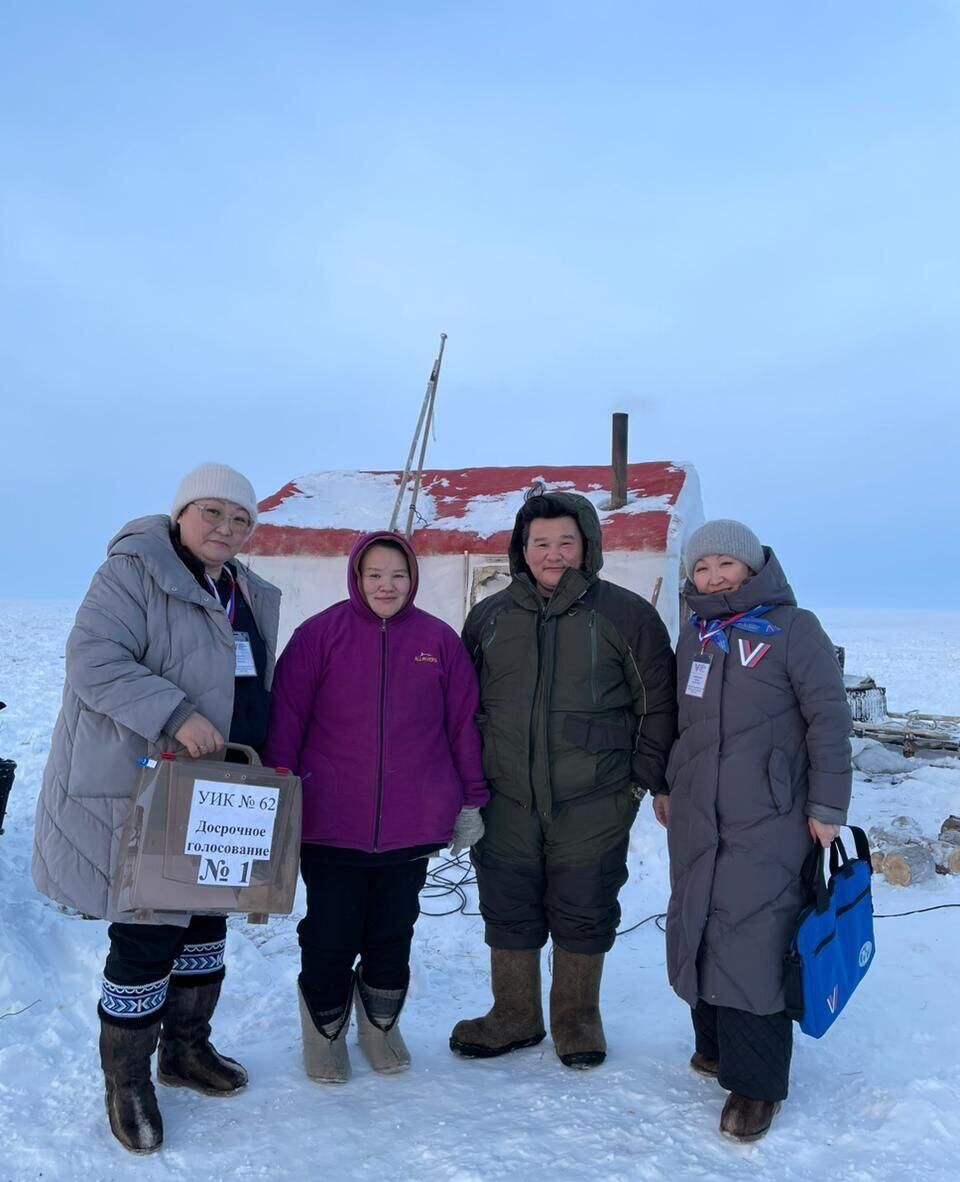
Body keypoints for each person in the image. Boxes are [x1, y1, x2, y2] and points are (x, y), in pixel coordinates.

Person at [33, 463, 280, 1154]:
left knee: (204, 919)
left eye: (241, 521)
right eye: (213, 513)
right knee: (148, 928)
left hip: (220, 787)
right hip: (145, 781)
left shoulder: (243, 590)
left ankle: (185, 1051)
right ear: (181, 513)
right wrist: (173, 713)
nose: (227, 529)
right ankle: (128, 1081)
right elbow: (92, 659)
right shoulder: (133, 572)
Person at [449, 487, 676, 1069]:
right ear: (522, 550)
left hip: (594, 799)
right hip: (507, 799)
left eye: (565, 543)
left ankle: (577, 1020)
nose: (552, 554)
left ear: (587, 547)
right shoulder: (490, 617)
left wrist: (639, 783)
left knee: (585, 907)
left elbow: (658, 706)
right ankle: (514, 1015)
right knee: (508, 904)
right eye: (540, 543)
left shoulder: (627, 615)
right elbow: (462, 708)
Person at [264, 531, 488, 1083]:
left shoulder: (438, 641)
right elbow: (286, 725)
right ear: (355, 577)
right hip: (330, 823)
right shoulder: (319, 636)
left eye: (398, 575)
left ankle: (381, 1025)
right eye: (375, 575)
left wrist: (471, 800)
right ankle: (324, 1032)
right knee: (330, 935)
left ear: (413, 579)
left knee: (393, 931)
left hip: (412, 825)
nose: (386, 586)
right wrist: (280, 799)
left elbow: (463, 726)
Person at [657, 519, 852, 1142]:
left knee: (756, 939)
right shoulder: (695, 635)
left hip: (769, 817)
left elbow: (828, 719)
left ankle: (756, 1086)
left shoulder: (795, 630)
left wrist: (828, 803)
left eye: (724, 565)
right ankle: (713, 1047)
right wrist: (667, 784)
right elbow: (677, 720)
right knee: (701, 923)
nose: (713, 577)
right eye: (702, 568)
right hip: (696, 815)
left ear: (752, 567)